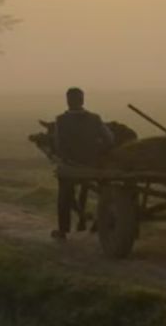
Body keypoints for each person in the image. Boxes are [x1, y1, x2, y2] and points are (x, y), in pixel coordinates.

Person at [51, 87, 113, 240]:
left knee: (64, 193)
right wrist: (99, 151)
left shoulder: (60, 120)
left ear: (67, 101)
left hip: (72, 164)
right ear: (82, 100)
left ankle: (63, 229)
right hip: (93, 163)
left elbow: (58, 144)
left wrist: (65, 156)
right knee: (104, 190)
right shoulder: (95, 118)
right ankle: (102, 221)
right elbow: (110, 139)